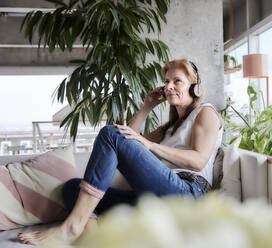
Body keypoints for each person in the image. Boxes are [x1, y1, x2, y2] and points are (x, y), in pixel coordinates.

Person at [18, 59, 223, 245]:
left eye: (177, 81)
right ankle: (91, 234)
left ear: (195, 87)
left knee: (109, 132)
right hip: (155, 199)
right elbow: (125, 140)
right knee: (72, 187)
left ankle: (72, 227)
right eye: (167, 81)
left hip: (188, 195)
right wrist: (146, 108)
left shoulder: (205, 112)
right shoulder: (169, 127)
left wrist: (150, 145)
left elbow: (198, 160)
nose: (168, 87)